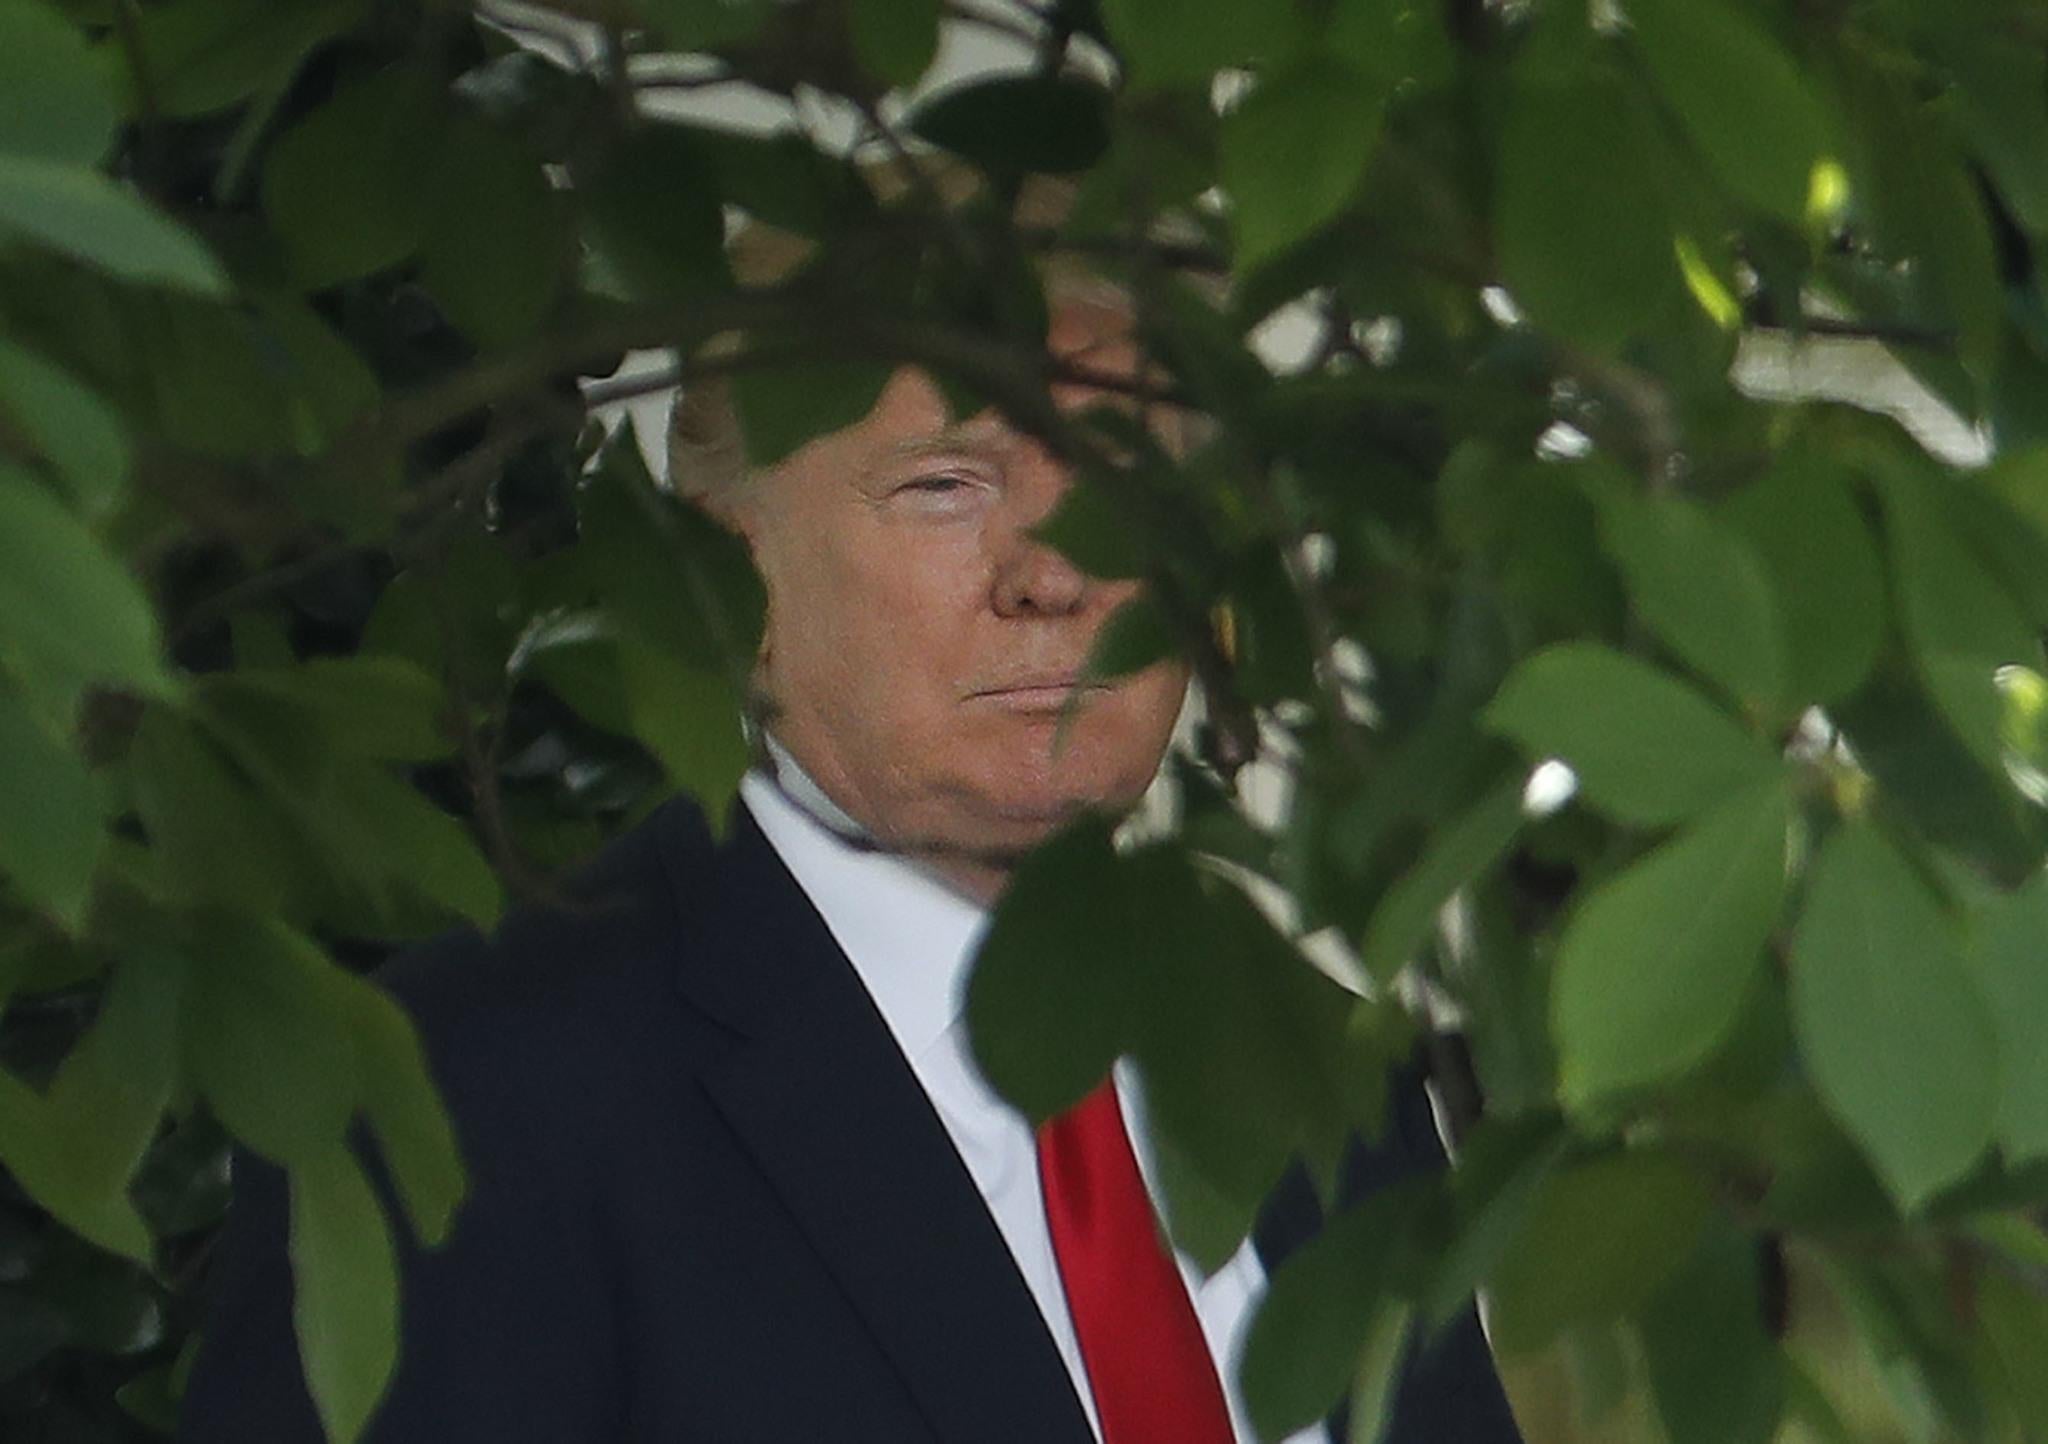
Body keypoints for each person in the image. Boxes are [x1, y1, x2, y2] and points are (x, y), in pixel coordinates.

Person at [179, 246, 1522, 1443]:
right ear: (726, 576)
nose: (1054, 575)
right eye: (947, 486)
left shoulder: (1325, 1073)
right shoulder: (482, 1086)